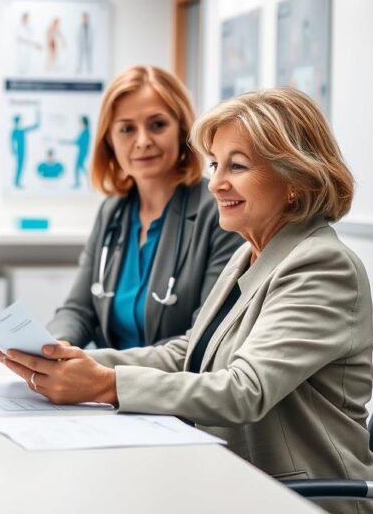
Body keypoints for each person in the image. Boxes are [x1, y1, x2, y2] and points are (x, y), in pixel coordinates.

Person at [0, 88, 373, 514]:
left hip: (308, 499)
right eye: (216, 164)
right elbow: (191, 352)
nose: (215, 182)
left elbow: (243, 390)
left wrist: (106, 385)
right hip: (243, 481)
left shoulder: (321, 265)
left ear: (294, 178)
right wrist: (79, 363)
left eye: (237, 165)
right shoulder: (250, 252)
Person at [45, 65, 242, 349]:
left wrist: (96, 370)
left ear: (183, 131)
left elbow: (205, 339)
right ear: (109, 141)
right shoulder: (112, 212)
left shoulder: (218, 210)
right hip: (100, 387)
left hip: (169, 388)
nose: (142, 141)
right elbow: (78, 310)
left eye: (157, 125)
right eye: (126, 128)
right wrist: (55, 346)